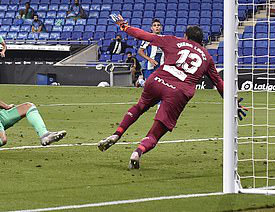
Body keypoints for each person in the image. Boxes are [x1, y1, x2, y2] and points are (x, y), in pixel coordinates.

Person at [98, 15, 247, 169]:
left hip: (157, 80)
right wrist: (233, 102)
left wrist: (124, 26)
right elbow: (219, 83)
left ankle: (117, 133)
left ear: (186, 36)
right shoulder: (207, 57)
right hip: (179, 92)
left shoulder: (173, 40)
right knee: (155, 133)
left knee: (140, 106)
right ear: (201, 40)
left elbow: (144, 35)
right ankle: (138, 151)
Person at [137, 19, 164, 85]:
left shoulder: (164, 38)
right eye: (154, 25)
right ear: (151, 28)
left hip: (161, 65)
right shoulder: (148, 38)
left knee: (160, 86)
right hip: (150, 65)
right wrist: (150, 59)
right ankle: (141, 81)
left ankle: (141, 81)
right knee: (149, 85)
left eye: (158, 25)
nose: (157, 27)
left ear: (161, 27)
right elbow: (140, 51)